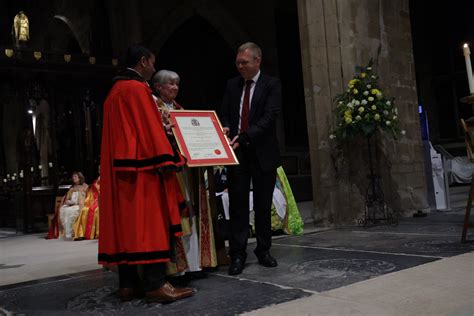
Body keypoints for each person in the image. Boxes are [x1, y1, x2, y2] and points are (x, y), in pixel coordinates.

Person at [99, 44, 193, 303]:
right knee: (150, 226)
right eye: (152, 63)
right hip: (143, 172)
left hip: (121, 173)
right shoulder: (137, 89)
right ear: (142, 62)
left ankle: (128, 285)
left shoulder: (114, 91)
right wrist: (172, 158)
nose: (153, 68)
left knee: (127, 229)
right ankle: (155, 285)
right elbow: (151, 129)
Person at [220, 42, 282, 275]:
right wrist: (225, 127)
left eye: (244, 62)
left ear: (257, 61)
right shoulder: (232, 85)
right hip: (237, 154)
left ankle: (264, 251)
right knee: (237, 206)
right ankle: (237, 254)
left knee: (263, 206)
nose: (240, 66)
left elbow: (269, 118)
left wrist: (244, 137)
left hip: (262, 152)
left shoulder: (271, 84)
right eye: (237, 62)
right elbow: (225, 112)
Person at [152, 70, 217, 275]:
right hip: (168, 170)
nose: (175, 88)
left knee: (191, 209)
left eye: (177, 84)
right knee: (177, 214)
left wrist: (215, 135)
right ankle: (176, 268)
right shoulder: (154, 107)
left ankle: (193, 264)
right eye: (170, 84)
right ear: (159, 87)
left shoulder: (178, 108)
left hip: (186, 169)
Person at [58, 172, 88, 239]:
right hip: (72, 204)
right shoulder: (72, 187)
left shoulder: (85, 186)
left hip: (80, 204)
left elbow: (87, 197)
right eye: (73, 177)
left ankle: (73, 232)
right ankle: (66, 232)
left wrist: (78, 203)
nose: (73, 178)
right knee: (63, 209)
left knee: (70, 211)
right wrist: (69, 202)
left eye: (75, 176)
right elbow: (67, 198)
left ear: (79, 178)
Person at [73, 167, 100, 240]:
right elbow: (91, 193)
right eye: (98, 169)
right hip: (94, 200)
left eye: (101, 169)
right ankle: (81, 233)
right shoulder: (97, 180)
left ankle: (97, 233)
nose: (99, 170)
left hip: (102, 201)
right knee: (84, 209)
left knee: (96, 210)